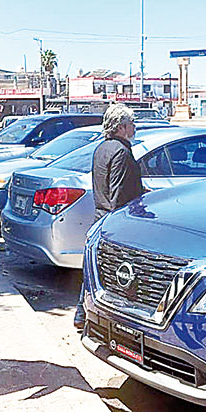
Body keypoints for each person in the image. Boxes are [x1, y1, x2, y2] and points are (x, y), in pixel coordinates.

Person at [78, 103, 144, 329]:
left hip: (101, 217)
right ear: (122, 127)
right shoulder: (121, 152)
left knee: (93, 269)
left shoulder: (102, 148)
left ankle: (80, 314)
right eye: (132, 123)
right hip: (115, 221)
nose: (134, 127)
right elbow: (119, 192)